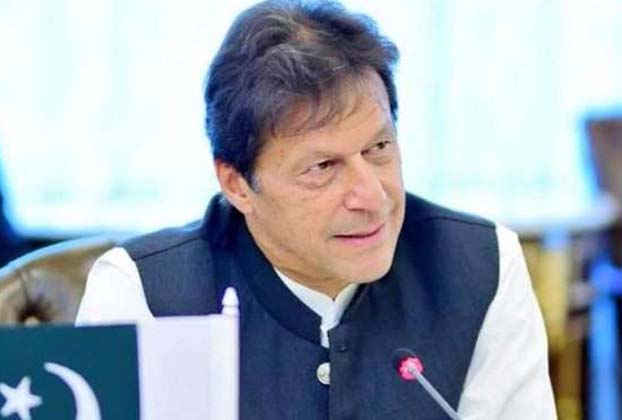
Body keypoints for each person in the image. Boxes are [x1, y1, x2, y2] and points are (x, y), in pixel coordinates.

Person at [77, 1, 557, 418]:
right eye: (323, 167)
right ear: (237, 184)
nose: (373, 196)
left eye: (379, 148)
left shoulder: (480, 265)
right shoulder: (144, 293)